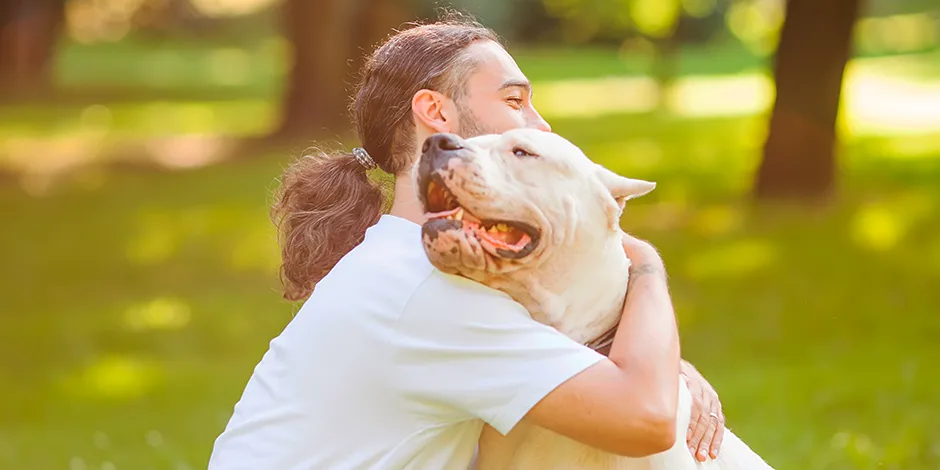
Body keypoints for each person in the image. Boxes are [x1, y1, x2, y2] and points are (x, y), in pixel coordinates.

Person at [207, 14, 725, 470]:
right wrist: (646, 264)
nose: (540, 125)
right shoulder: (429, 291)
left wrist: (659, 360)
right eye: (514, 100)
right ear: (436, 113)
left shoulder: (401, 261)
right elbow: (646, 419)